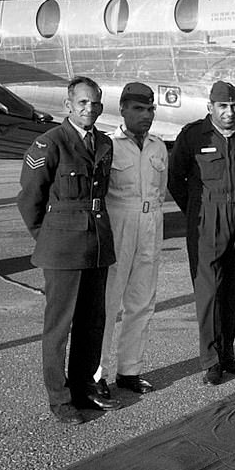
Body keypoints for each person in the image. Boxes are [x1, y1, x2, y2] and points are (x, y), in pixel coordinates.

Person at [17, 76, 120, 424]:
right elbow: (30, 198)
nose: (89, 109)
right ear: (68, 106)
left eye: (95, 104)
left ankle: (84, 388)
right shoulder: (50, 144)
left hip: (96, 243)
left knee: (93, 321)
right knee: (59, 327)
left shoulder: (104, 143)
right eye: (82, 103)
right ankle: (60, 400)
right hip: (62, 246)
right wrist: (46, 237)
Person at [168, 81, 235, 386]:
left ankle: (229, 354)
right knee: (208, 292)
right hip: (207, 218)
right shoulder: (194, 136)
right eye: (223, 106)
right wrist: (197, 210)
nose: (229, 112)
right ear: (210, 108)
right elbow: (175, 177)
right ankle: (210, 361)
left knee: (232, 288)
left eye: (234, 106)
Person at [96, 82, 167, 397]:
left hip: (150, 224)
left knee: (141, 302)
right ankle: (97, 374)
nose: (146, 115)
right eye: (139, 109)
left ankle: (130, 371)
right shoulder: (109, 145)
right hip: (118, 224)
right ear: (122, 109)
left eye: (150, 109)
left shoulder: (158, 146)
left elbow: (161, 189)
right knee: (108, 304)